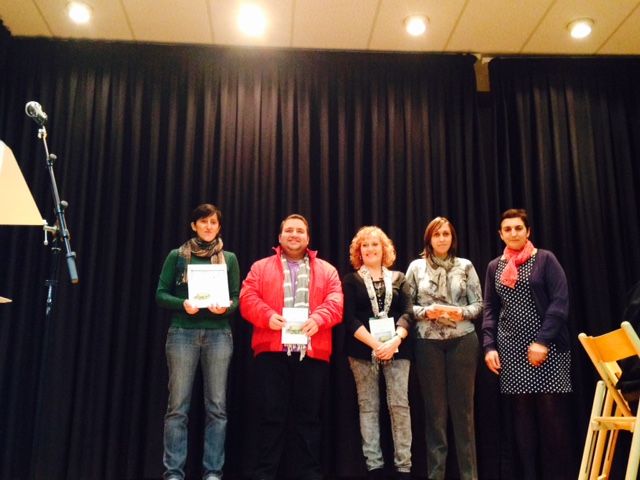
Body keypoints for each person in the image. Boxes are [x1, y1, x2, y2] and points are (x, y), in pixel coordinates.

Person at [239, 213, 343, 480]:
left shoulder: (328, 270)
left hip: (312, 353)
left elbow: (335, 301)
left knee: (308, 420)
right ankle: (264, 474)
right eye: (289, 230)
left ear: (308, 238)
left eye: (299, 231)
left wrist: (318, 319)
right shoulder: (260, 267)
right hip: (271, 352)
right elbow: (247, 297)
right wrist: (266, 317)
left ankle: (308, 474)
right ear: (280, 237)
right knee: (270, 418)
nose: (294, 234)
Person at [482, 208, 572, 480]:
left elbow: (559, 302)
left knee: (551, 417)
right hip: (510, 349)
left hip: (548, 348)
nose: (513, 233)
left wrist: (542, 341)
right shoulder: (494, 266)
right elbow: (490, 308)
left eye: (518, 228)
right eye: (507, 229)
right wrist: (489, 346)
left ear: (528, 231)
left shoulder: (545, 259)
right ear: (500, 234)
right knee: (521, 418)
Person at [156, 203, 240, 480]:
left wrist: (225, 308)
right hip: (182, 333)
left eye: (213, 223)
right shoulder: (177, 256)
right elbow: (161, 294)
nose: (208, 227)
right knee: (178, 407)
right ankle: (173, 473)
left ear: (219, 227)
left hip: (219, 335)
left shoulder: (228, 259)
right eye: (203, 222)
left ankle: (213, 473)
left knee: (217, 407)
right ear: (194, 225)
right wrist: (184, 304)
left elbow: (237, 298)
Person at [405, 217, 483, 480]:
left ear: (452, 238)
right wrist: (426, 311)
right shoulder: (416, 267)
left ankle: (469, 476)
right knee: (435, 415)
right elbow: (405, 307)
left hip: (463, 342)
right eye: (437, 234)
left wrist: (459, 312)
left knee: (464, 414)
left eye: (446, 234)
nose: (441, 239)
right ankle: (435, 475)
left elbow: (479, 305)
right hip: (428, 344)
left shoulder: (465, 266)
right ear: (429, 238)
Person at [343, 226, 414, 480]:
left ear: (385, 249)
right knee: (368, 407)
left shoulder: (399, 278)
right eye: (365, 245)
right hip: (362, 350)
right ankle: (374, 465)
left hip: (398, 349)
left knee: (399, 406)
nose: (370, 249)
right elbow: (348, 318)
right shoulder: (351, 280)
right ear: (358, 251)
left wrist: (395, 340)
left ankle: (404, 466)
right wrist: (375, 344)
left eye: (375, 244)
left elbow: (408, 312)